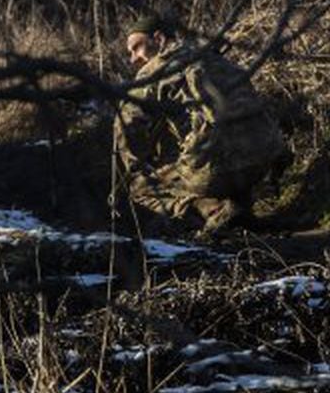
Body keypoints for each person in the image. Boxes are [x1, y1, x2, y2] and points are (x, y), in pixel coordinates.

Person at [112, 15, 285, 236]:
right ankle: (243, 207)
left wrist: (135, 168)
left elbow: (126, 123)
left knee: (141, 189)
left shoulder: (156, 68)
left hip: (220, 166)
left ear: (158, 38)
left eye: (136, 48)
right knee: (209, 145)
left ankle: (214, 211)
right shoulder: (214, 57)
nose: (133, 58)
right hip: (266, 157)